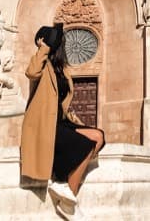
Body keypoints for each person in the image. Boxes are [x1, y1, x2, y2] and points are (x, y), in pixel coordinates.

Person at [20, 25, 105, 219]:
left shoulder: (61, 70)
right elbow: (31, 72)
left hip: (62, 122)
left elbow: (62, 102)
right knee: (85, 145)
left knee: (98, 136)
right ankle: (68, 198)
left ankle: (66, 194)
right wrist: (43, 48)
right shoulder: (41, 66)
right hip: (46, 126)